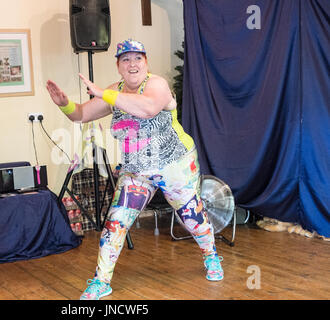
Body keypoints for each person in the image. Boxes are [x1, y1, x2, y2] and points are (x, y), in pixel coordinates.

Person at [46, 39, 224, 300]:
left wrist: (103, 93)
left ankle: (211, 256)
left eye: (137, 58)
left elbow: (148, 108)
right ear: (118, 66)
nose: (132, 64)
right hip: (138, 171)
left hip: (174, 165)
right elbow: (81, 114)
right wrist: (64, 103)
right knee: (116, 222)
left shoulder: (156, 85)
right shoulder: (113, 91)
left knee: (192, 219)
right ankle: (101, 280)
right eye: (125, 59)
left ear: (146, 62)